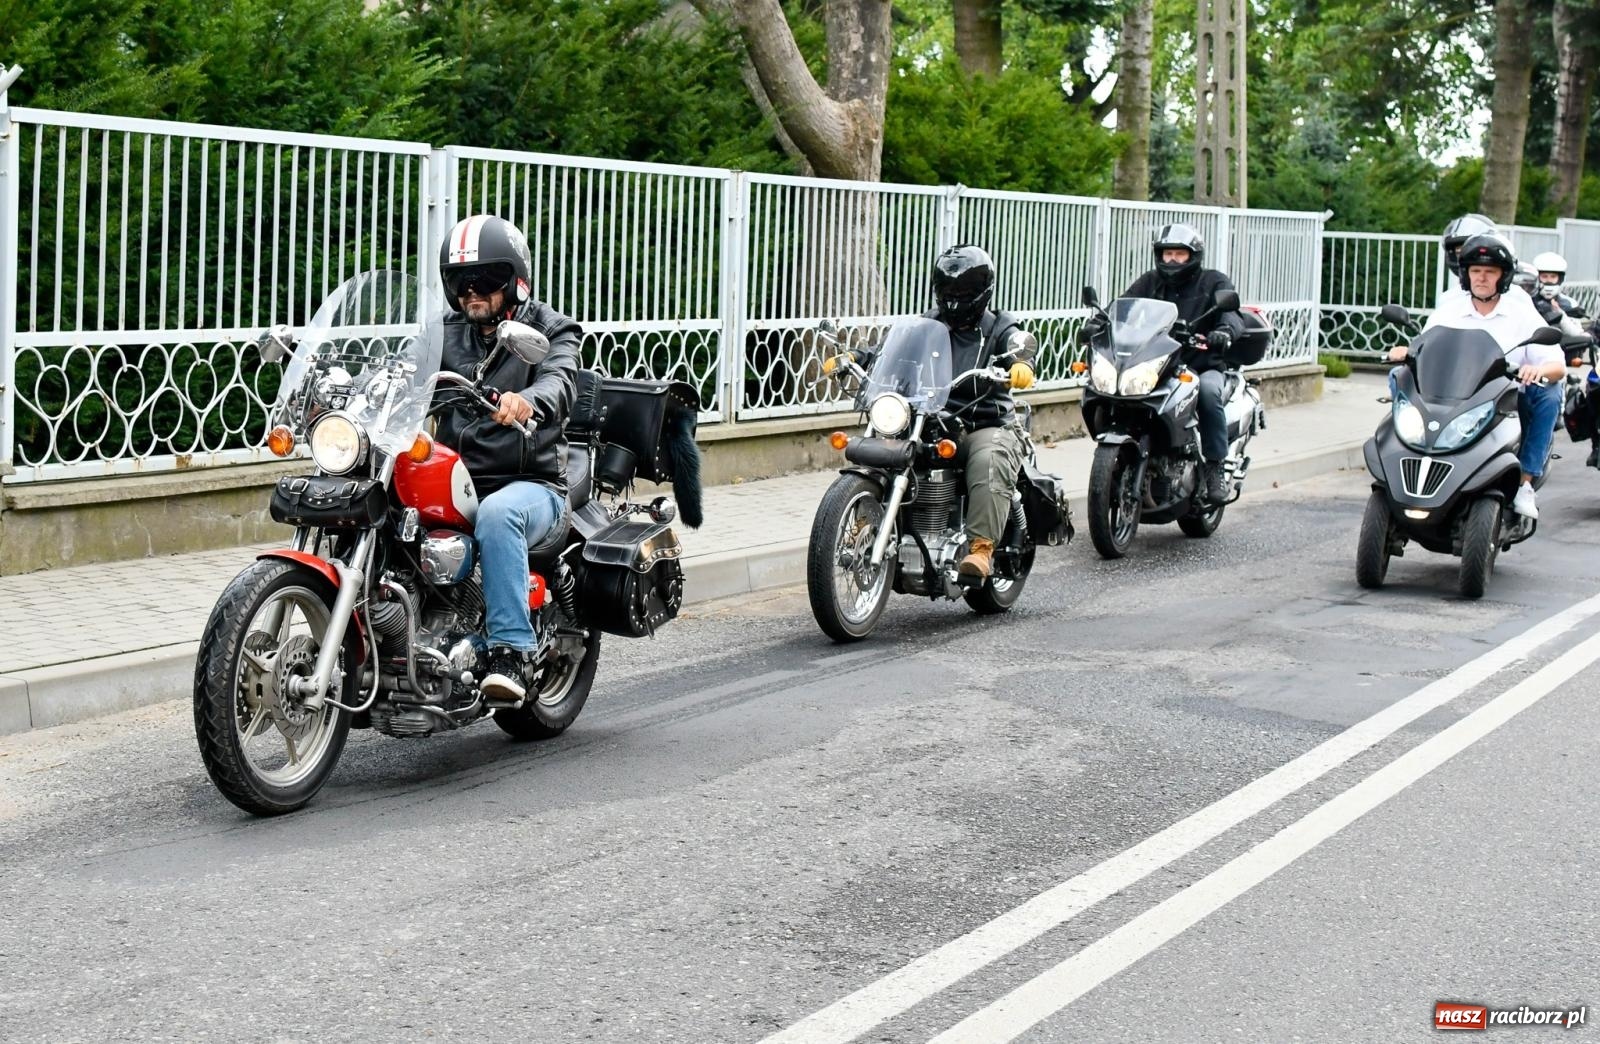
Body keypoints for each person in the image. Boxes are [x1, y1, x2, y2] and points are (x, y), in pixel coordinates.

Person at [435, 214, 582, 702]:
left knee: (499, 515)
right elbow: (403, 372)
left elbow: (559, 381)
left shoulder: (553, 329)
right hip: (458, 479)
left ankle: (512, 652)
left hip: (532, 485)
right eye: (460, 281)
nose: (471, 291)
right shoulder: (445, 332)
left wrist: (529, 400)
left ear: (516, 280)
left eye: (486, 280)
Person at [823, 245, 1037, 579]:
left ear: (982, 292)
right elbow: (884, 353)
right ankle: (863, 525)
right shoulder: (925, 324)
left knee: (989, 457)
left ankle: (981, 548)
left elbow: (1018, 345)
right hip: (928, 416)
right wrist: (856, 358)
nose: (953, 299)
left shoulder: (1000, 327)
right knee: (882, 443)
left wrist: (1021, 364)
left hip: (981, 420)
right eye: (947, 292)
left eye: (963, 292)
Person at [1388, 233, 1563, 519]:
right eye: (1475, 271)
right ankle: (1408, 457)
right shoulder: (1449, 311)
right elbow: (1424, 347)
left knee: (1549, 393)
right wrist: (1404, 351)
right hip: (1451, 396)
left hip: (1504, 401)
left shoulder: (1520, 314)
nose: (1481, 278)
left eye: (1489, 272)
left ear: (1503, 277)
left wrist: (1538, 369)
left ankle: (1526, 482)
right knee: (1398, 375)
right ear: (1466, 275)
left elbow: (1558, 365)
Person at [1117, 223, 1246, 502]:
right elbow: (1124, 308)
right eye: (1167, 254)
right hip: (1158, 367)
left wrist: (1224, 332)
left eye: (1179, 254)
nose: (1172, 260)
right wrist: (1101, 324)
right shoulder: (1150, 282)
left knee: (1209, 394)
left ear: (1193, 256)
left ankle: (1214, 468)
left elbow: (1232, 315)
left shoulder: (1213, 282)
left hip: (1202, 365)